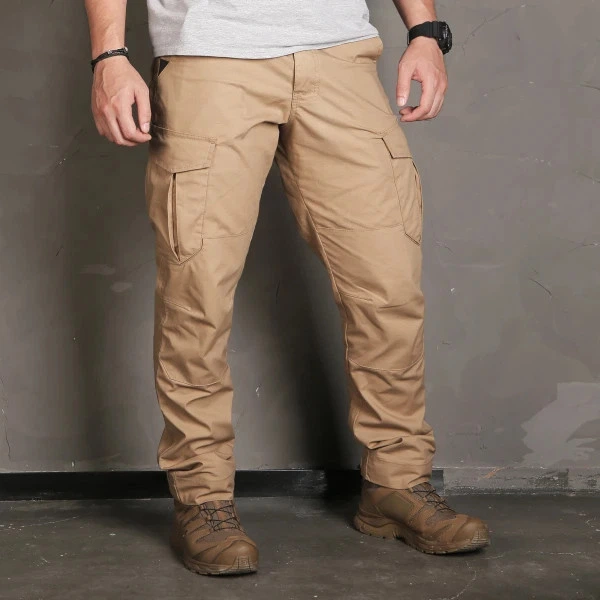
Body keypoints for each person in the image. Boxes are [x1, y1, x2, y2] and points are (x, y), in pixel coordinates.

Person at [85, 0, 489, 576]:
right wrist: (108, 55)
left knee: (389, 287)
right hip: (211, 58)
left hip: (340, 56)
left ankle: (396, 485)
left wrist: (424, 31)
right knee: (196, 296)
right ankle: (203, 499)